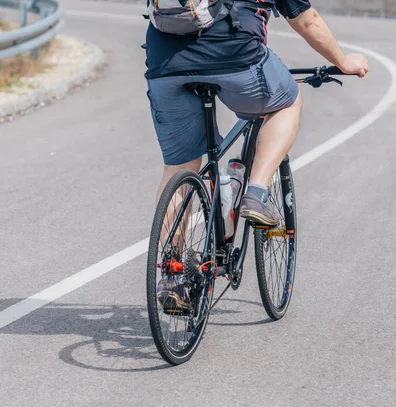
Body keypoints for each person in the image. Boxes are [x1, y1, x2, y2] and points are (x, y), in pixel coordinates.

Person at [146, 0, 369, 312]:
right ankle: (256, 191)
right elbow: (307, 20)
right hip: (235, 56)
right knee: (288, 101)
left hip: (165, 63)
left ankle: (172, 270)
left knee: (180, 168)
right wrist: (342, 60)